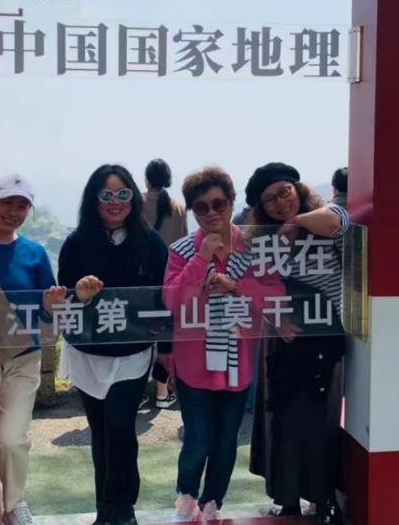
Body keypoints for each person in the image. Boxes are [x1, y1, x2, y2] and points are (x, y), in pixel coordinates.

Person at [163, 167, 285, 522]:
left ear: (232, 202)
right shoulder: (182, 250)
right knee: (197, 440)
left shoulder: (255, 247)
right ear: (192, 211)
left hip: (238, 363)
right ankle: (186, 498)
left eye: (219, 203)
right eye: (201, 207)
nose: (212, 212)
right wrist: (201, 258)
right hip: (194, 364)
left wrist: (237, 286)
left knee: (226, 441)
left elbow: (275, 295)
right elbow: (172, 301)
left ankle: (214, 501)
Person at [57, 165, 168, 525]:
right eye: (106, 195)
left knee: (120, 427)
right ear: (94, 200)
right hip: (88, 353)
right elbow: (63, 300)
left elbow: (163, 299)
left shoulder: (150, 242)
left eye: (123, 194)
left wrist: (167, 350)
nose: (115, 201)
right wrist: (79, 294)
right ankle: (105, 510)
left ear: (134, 197)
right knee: (101, 432)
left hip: (132, 352)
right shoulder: (76, 243)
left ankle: (123, 508)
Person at [245, 163, 349, 525]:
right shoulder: (260, 238)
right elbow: (251, 282)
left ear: (298, 189)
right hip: (285, 340)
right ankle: (287, 500)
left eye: (284, 192)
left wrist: (296, 222)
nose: (280, 202)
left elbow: (338, 221)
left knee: (323, 420)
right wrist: (275, 318)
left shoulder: (322, 217)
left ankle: (323, 497)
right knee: (285, 421)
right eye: (270, 199)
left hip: (327, 340)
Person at [0, 174, 64, 525]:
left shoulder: (35, 254)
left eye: (22, 205)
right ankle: (4, 517)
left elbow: (48, 318)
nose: (14, 211)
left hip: (23, 359)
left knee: (11, 440)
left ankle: (14, 502)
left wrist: (51, 307)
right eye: (7, 202)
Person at [142, 159, 188, 410]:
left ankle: (136, 392)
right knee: (165, 337)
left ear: (147, 179)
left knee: (139, 334)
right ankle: (162, 392)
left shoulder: (136, 203)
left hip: (142, 280)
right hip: (171, 280)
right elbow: (184, 243)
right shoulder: (178, 207)